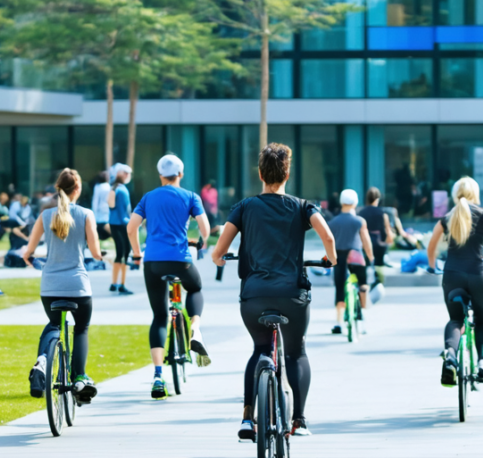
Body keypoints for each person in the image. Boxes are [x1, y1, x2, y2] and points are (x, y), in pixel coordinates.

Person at [211, 143, 337, 439]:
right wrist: (331, 260)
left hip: (254, 296)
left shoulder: (244, 207)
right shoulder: (303, 206)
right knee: (295, 353)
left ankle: (246, 418)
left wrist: (219, 259)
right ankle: (300, 420)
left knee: (259, 349)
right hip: (292, 296)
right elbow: (328, 236)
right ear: (287, 174)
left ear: (260, 174)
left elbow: (220, 250)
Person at [127, 154, 212, 399]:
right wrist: (202, 242)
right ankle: (195, 327)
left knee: (159, 316)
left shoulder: (148, 197)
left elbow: (131, 227)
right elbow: (205, 229)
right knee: (194, 288)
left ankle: (157, 376)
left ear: (160, 175)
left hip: (153, 262)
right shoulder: (191, 197)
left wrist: (136, 252)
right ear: (181, 174)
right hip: (181, 260)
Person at [22, 169, 104, 404]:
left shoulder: (45, 216)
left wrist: (30, 259)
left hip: (50, 286)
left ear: (58, 188)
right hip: (77, 285)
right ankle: (79, 376)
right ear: (77, 189)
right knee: (81, 328)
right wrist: (100, 255)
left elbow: (28, 251)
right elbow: (96, 253)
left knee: (54, 324)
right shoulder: (86, 214)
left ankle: (42, 362)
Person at [426, 177, 483, 386]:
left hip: (452, 276)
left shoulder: (446, 218)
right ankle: (482, 363)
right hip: (479, 276)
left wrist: (432, 267)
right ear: (475, 194)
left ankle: (450, 354)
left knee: (455, 320)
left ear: (454, 194)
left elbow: (431, 247)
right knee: (481, 321)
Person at [328, 189, 375, 335]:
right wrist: (371, 257)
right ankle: (363, 319)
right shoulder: (359, 221)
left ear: (341, 202)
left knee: (340, 288)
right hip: (356, 256)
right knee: (363, 285)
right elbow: (366, 242)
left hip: (339, 257)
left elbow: (329, 242)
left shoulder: (333, 222)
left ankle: (339, 323)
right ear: (355, 203)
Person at [106, 164, 133, 295]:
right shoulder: (122, 190)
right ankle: (121, 284)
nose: (127, 175)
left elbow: (111, 206)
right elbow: (126, 211)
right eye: (125, 173)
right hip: (123, 224)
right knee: (125, 253)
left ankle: (114, 283)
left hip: (115, 223)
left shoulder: (114, 188)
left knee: (120, 253)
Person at [358, 187, 392, 279]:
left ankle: (364, 287)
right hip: (379, 243)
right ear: (377, 199)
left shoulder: (361, 213)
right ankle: (379, 284)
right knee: (379, 267)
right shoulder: (382, 213)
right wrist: (387, 245)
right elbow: (388, 232)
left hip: (364, 243)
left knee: (364, 267)